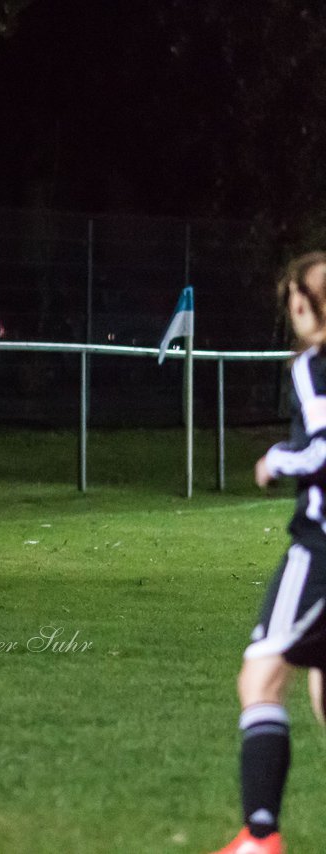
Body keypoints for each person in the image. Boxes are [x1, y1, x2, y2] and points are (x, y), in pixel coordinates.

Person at [210, 251, 326, 854]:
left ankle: (260, 838)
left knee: (261, 675)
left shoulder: (314, 366)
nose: (293, 309)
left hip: (321, 549)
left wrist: (276, 460)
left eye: (295, 298)